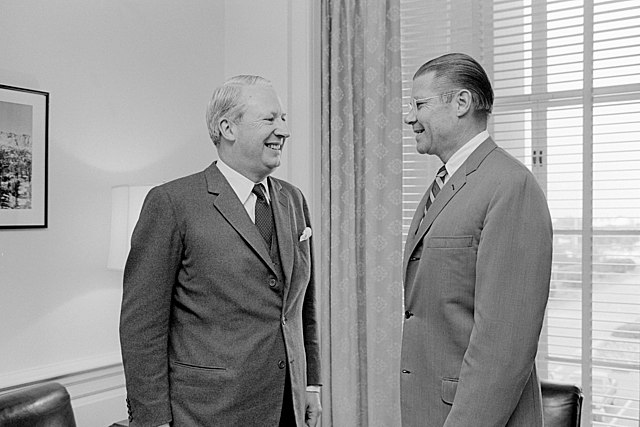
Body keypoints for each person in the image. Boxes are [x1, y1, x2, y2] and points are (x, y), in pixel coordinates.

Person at [119, 75, 321, 427]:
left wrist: (311, 385)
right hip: (206, 412)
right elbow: (142, 327)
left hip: (288, 406)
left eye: (283, 119)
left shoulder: (293, 200)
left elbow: (304, 306)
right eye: (269, 119)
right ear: (228, 128)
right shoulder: (172, 203)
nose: (283, 130)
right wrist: (152, 419)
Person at [400, 53, 552, 426]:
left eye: (419, 105)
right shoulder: (448, 182)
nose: (410, 118)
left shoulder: (510, 185)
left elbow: (504, 346)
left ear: (462, 103)